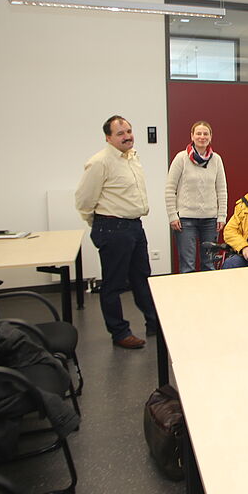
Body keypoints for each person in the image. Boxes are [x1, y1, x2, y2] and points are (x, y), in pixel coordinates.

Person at [74, 115, 159, 349]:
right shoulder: (100, 162)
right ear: (108, 138)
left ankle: (154, 323)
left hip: (134, 226)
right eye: (120, 133)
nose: (127, 136)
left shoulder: (132, 157)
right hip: (112, 227)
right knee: (113, 284)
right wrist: (99, 223)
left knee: (142, 278)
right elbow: (83, 200)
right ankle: (120, 332)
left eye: (129, 131)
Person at [165, 120, 228, 272]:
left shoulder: (216, 160)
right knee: (188, 265)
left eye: (205, 134)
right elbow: (169, 189)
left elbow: (222, 190)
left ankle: (209, 295)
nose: (202, 137)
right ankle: (189, 296)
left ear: (210, 137)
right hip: (185, 220)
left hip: (210, 220)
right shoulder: (181, 158)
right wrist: (172, 215)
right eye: (198, 133)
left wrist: (222, 216)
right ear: (192, 136)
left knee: (209, 264)